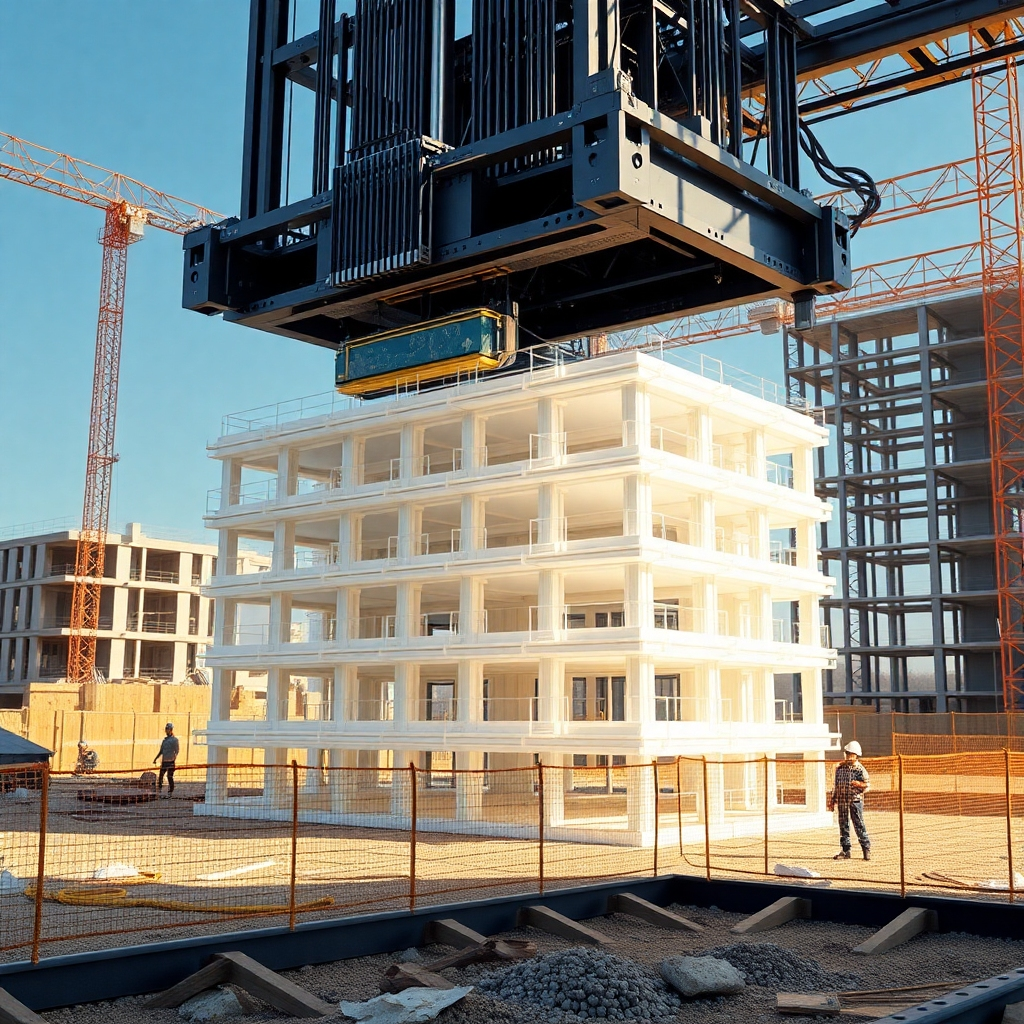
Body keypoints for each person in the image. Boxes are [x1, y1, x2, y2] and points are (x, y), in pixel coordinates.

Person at [828, 740, 871, 860]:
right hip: (842, 801)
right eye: (847, 754)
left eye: (851, 754)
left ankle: (866, 849)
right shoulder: (840, 769)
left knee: (859, 825)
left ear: (856, 755)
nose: (848, 756)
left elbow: (867, 785)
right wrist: (832, 800)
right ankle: (845, 850)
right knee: (843, 826)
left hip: (855, 801)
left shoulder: (860, 770)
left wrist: (858, 784)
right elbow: (835, 785)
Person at [153, 722, 180, 797]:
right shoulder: (164, 741)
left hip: (171, 762)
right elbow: (161, 751)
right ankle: (160, 791)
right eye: (166, 729)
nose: (166, 730)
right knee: (160, 776)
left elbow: (177, 751)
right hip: (164, 762)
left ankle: (170, 792)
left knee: (169, 777)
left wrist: (173, 758)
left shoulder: (174, 740)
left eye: (167, 729)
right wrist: (156, 758)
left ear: (171, 730)